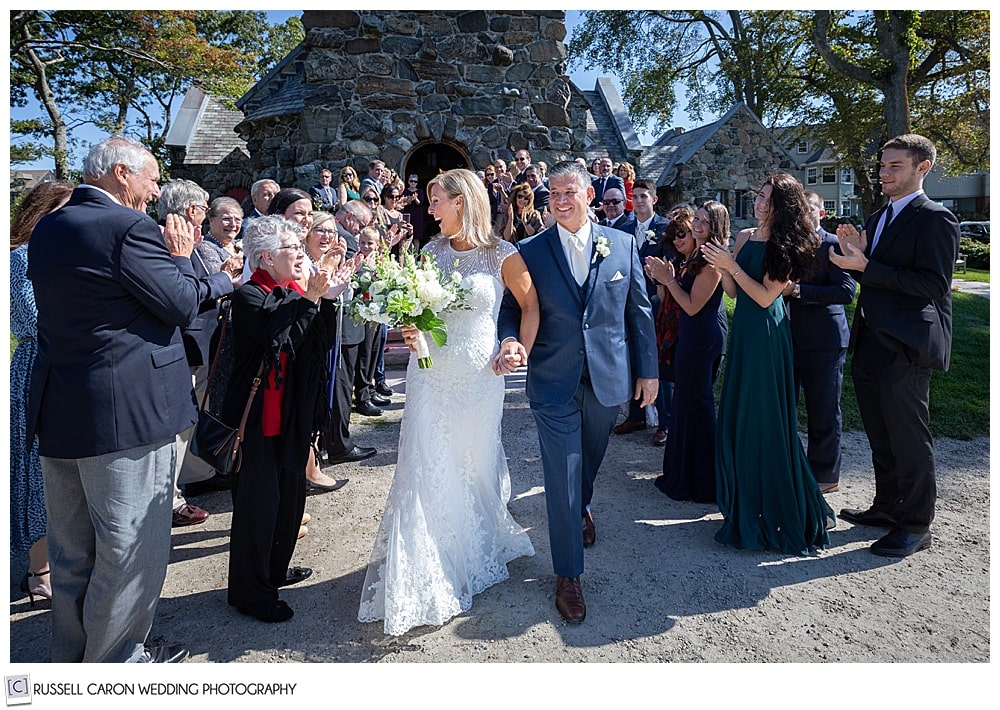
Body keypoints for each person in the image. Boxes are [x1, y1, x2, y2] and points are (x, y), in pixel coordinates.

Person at [27, 135, 232, 662]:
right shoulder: (127, 227)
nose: (155, 188)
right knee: (130, 549)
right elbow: (182, 303)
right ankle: (115, 665)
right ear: (122, 173)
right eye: (151, 177)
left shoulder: (50, 226)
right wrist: (190, 263)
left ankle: (72, 661)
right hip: (127, 415)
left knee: (73, 552)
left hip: (62, 408)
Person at [359, 168, 538, 636]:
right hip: (430, 377)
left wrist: (517, 347)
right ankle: (425, 566)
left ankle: (473, 546)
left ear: (461, 201)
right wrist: (408, 326)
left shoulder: (503, 254)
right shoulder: (428, 253)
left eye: (435, 200)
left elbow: (529, 306)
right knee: (426, 464)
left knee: (474, 462)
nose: (429, 207)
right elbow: (417, 312)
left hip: (480, 379)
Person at [495, 160, 658, 624]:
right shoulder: (530, 250)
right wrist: (510, 339)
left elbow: (639, 313)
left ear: (590, 196)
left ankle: (581, 506)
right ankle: (568, 575)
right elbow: (513, 308)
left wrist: (648, 373)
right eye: (554, 194)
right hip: (552, 380)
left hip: (608, 379)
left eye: (570, 192)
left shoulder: (623, 245)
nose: (561, 200)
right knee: (563, 475)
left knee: (587, 462)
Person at [829, 134, 959, 558]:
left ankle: (917, 525)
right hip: (870, 340)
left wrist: (869, 265)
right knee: (880, 435)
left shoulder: (935, 218)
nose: (884, 173)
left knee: (908, 439)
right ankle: (886, 508)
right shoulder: (880, 214)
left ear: (923, 168)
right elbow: (879, 277)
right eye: (882, 166)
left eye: (894, 166)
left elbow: (933, 285)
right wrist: (858, 257)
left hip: (906, 346)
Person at [223, 215, 353, 623]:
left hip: (292, 417)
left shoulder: (295, 289)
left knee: (289, 503)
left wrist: (327, 297)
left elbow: (318, 342)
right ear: (265, 257)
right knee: (258, 509)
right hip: (257, 421)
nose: (301, 254)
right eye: (291, 249)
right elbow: (280, 336)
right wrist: (312, 299)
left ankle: (274, 573)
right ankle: (250, 593)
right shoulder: (249, 296)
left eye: (300, 247)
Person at [700, 172, 834, 555]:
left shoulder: (788, 243)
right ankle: (745, 505)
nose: (760, 203)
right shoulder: (743, 237)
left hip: (768, 336)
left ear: (784, 206)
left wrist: (732, 264)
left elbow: (763, 297)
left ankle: (778, 507)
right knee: (740, 415)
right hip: (744, 333)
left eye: (768, 199)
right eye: (759, 196)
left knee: (765, 420)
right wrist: (722, 265)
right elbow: (733, 291)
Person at [157, 179, 243, 528]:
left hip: (200, 344)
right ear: (193, 211)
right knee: (177, 429)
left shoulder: (189, 245)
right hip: (187, 347)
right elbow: (185, 295)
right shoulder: (172, 244)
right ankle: (172, 500)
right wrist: (224, 280)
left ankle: (192, 478)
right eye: (206, 209)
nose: (206, 215)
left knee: (191, 423)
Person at [10, 180, 74, 608]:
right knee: (36, 468)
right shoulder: (18, 257)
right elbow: (34, 318)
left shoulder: (60, 254)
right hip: (37, 366)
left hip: (65, 365)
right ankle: (38, 572)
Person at [645, 203, 726, 502]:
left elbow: (692, 305)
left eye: (705, 221)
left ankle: (704, 483)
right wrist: (663, 277)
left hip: (702, 337)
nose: (698, 225)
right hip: (689, 336)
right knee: (685, 405)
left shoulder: (712, 260)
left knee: (698, 405)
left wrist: (668, 280)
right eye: (698, 219)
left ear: (716, 226)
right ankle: (683, 473)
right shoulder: (694, 254)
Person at [786, 190, 857, 494]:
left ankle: (826, 475)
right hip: (787, 337)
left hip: (824, 340)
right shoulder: (787, 244)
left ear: (821, 213)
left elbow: (846, 292)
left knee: (823, 410)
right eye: (799, 209)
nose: (803, 213)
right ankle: (791, 466)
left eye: (809, 209)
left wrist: (799, 292)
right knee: (786, 405)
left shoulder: (832, 244)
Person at [616, 179, 675, 444]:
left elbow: (670, 263)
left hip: (657, 302)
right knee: (632, 357)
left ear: (654, 199)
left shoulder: (664, 229)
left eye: (643, 196)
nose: (639, 201)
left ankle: (665, 422)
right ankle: (637, 415)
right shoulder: (624, 227)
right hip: (628, 303)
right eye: (635, 196)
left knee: (657, 362)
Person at [401, 173, 426, 245]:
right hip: (407, 215)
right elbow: (404, 203)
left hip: (417, 216)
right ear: (408, 182)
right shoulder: (405, 191)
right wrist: (410, 200)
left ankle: (415, 255)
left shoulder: (420, 191)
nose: (413, 183)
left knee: (416, 237)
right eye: (411, 181)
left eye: (415, 181)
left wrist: (415, 199)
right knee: (407, 236)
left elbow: (420, 203)